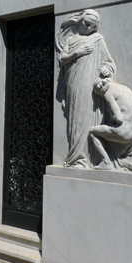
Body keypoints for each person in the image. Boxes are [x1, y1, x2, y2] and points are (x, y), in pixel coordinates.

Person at [56, 9, 114, 168]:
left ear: (94, 28)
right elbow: (62, 58)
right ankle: (75, 157)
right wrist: (78, 52)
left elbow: (108, 62)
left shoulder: (97, 40)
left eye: (89, 25)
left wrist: (107, 70)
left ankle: (83, 158)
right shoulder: (72, 40)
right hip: (73, 85)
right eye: (84, 22)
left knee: (85, 119)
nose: (85, 26)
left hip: (89, 87)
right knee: (74, 120)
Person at [89, 76, 132, 174]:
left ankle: (106, 162)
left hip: (123, 132)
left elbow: (118, 118)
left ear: (100, 90)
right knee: (118, 158)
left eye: (99, 95)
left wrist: (111, 112)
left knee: (92, 132)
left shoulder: (108, 94)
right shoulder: (124, 89)